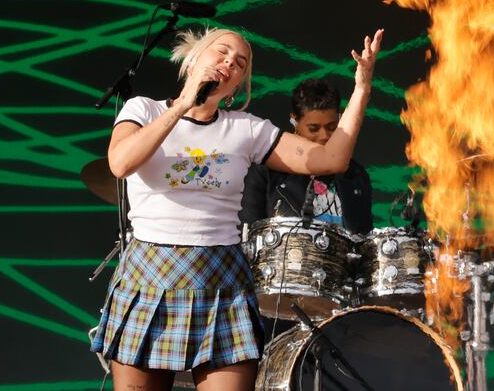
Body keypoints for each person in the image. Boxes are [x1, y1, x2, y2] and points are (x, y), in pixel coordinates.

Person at [90, 26, 383, 391]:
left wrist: (362, 88)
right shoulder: (143, 109)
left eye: (240, 63)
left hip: (221, 280)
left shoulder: (246, 130)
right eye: (222, 53)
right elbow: (120, 163)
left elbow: (331, 158)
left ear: (238, 86)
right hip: (151, 275)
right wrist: (183, 105)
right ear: (194, 58)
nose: (229, 63)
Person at [240, 79, 373, 236]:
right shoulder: (266, 170)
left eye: (332, 127)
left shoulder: (356, 175)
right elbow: (249, 234)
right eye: (314, 129)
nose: (324, 136)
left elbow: (365, 239)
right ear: (294, 121)